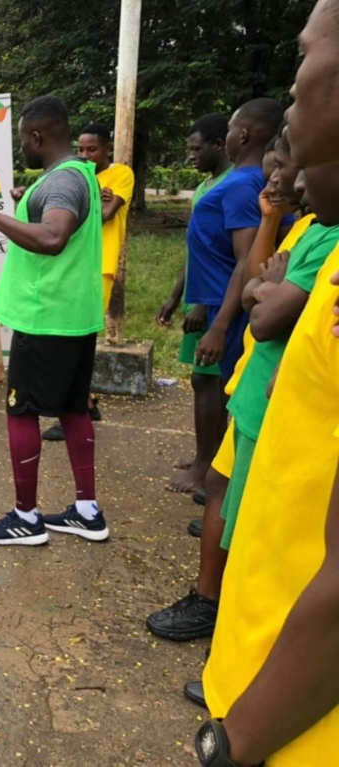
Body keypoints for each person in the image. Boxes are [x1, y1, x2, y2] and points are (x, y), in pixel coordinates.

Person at [195, 5, 339, 762]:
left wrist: (235, 741)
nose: (288, 92)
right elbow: (263, 287)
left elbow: (264, 302)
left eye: (305, 57)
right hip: (267, 679)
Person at [147, 126, 306, 644]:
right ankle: (206, 473)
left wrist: (231, 312)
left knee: (210, 389)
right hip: (223, 311)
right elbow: (255, 272)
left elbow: (253, 277)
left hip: (237, 324)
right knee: (210, 405)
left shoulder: (242, 190)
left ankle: (223, 604)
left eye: (285, 169)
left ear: (240, 135)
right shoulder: (250, 195)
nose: (275, 178)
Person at [0, 95, 106, 546]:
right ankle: (87, 510)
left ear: (37, 136)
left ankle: (26, 518)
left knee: (21, 411)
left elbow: (53, 237)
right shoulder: (79, 174)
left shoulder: (62, 182)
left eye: (23, 137)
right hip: (74, 316)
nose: (21, 144)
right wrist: (26, 202)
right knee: (72, 408)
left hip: (45, 318)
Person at [173, 99, 287, 494]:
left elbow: (244, 259)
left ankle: (213, 477)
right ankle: (215, 466)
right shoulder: (246, 182)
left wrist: (219, 325)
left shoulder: (241, 185)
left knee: (220, 387)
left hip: (228, 308)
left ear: (241, 135)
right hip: (219, 300)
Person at [156, 114, 233, 499]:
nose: (190, 156)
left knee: (210, 381)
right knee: (204, 381)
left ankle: (207, 467)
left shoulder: (232, 186)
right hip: (199, 293)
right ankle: (209, 452)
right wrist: (174, 296)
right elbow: (197, 249)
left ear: (221, 144)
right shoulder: (206, 185)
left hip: (215, 299)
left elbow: (230, 255)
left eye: (197, 148)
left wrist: (203, 303)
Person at [43, 122, 135, 442]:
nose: (85, 155)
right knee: (75, 339)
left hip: (100, 266)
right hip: (75, 265)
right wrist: (95, 193)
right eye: (80, 150)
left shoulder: (121, 174)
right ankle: (85, 404)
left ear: (106, 148)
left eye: (91, 149)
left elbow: (106, 214)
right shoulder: (79, 177)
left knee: (75, 339)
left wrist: (95, 194)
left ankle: (73, 412)